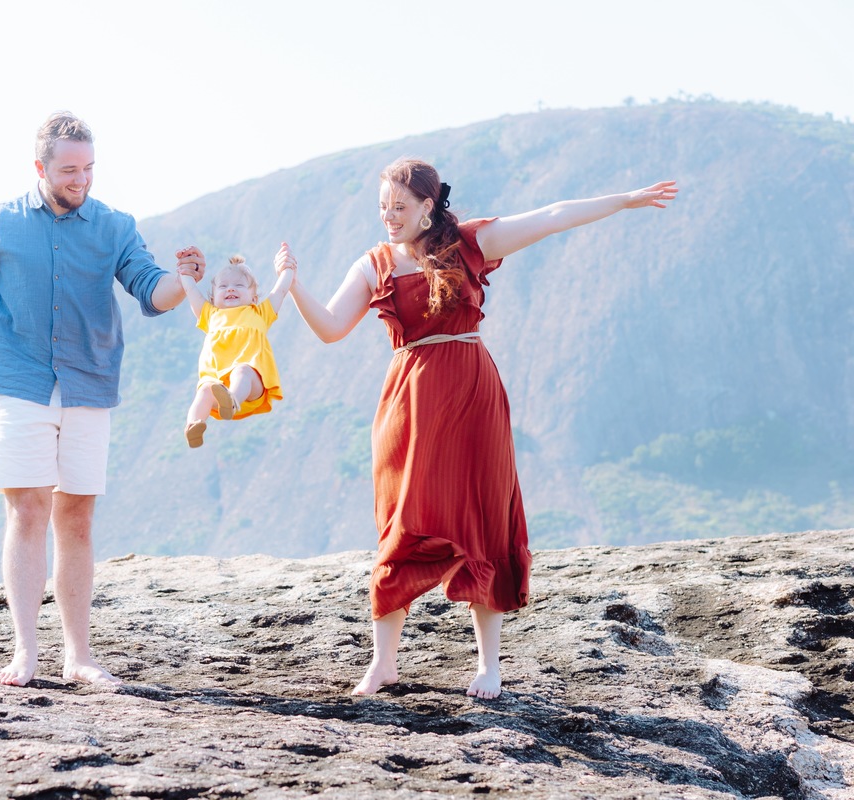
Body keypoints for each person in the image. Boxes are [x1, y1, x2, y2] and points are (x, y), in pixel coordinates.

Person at [280, 158, 677, 698]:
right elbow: (330, 327)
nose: (389, 218)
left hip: (473, 395)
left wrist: (624, 199)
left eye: (399, 208)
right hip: (409, 403)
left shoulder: (470, 244)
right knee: (402, 520)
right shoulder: (374, 263)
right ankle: (383, 663)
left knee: (486, 521)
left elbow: (553, 215)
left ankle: (489, 665)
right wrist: (293, 284)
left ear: (428, 205)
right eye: (382, 209)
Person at [0, 111, 205, 688]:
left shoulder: (115, 226)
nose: (81, 179)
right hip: (19, 384)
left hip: (91, 385)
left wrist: (185, 277)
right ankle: (24, 652)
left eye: (89, 168)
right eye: (69, 169)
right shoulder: (0, 223)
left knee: (79, 518)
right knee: (27, 511)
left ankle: (79, 656)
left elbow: (152, 289)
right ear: (39, 167)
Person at [179, 250, 294, 447]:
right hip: (218, 385)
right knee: (205, 389)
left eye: (239, 285)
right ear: (213, 298)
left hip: (249, 387)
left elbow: (281, 290)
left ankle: (231, 400)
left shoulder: (260, 313)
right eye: (223, 286)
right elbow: (191, 291)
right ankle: (193, 425)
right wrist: (184, 272)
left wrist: (288, 269)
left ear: (254, 297)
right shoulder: (210, 315)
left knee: (242, 370)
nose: (230, 289)